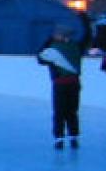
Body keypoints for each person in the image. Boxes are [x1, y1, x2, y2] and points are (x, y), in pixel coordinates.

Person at [36, 10, 92, 149]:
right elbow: (88, 36)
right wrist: (85, 20)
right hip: (74, 84)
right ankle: (73, 138)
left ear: (59, 35)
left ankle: (59, 139)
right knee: (72, 112)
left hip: (60, 85)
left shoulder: (53, 49)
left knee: (59, 112)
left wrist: (49, 39)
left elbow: (40, 58)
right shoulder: (76, 47)